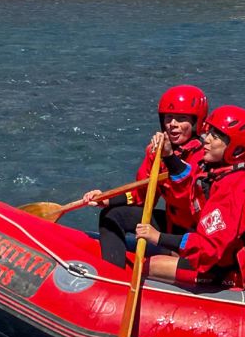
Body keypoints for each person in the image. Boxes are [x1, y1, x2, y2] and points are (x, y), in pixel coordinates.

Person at [135, 105, 245, 289]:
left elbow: (209, 249)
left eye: (215, 137)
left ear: (236, 149)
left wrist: (157, 237)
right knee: (172, 255)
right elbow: (187, 192)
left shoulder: (237, 185)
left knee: (150, 265)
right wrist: (168, 155)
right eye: (209, 133)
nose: (206, 139)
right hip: (224, 258)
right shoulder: (219, 171)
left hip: (240, 272)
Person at [82, 84, 209, 266]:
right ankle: (113, 271)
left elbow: (187, 198)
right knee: (112, 214)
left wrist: (170, 158)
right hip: (172, 225)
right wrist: (106, 199)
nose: (173, 124)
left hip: (195, 234)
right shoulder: (155, 151)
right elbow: (141, 194)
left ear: (197, 123)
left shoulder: (204, 156)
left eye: (181, 119)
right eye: (169, 118)